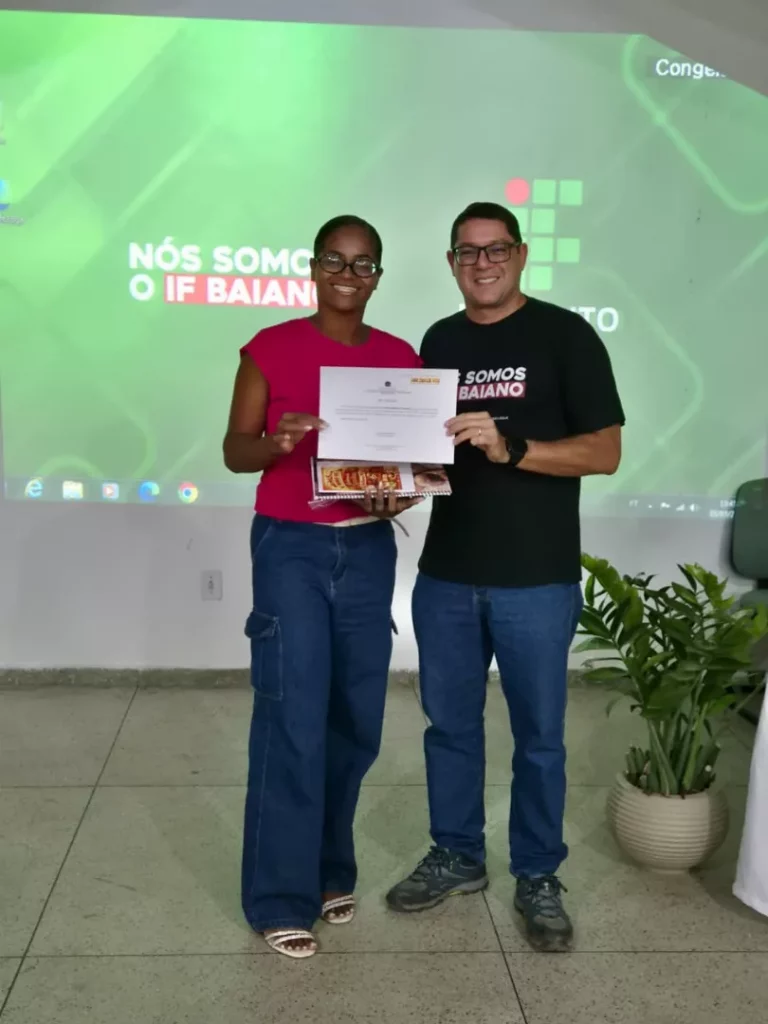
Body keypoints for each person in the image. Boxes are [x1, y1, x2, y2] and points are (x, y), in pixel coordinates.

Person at [386, 202, 625, 952]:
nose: (482, 263)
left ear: (520, 255)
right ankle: (457, 854)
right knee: (449, 728)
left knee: (540, 739)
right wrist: (389, 479)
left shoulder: (566, 335)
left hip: (536, 578)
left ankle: (538, 874)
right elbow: (427, 448)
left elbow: (604, 452)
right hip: (447, 574)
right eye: (467, 251)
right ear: (451, 262)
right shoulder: (440, 340)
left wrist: (511, 448)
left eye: (495, 250)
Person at [224, 215, 420, 959]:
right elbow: (234, 449)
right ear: (312, 268)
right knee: (292, 716)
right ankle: (279, 895)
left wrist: (400, 496)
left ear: (378, 276)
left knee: (354, 719)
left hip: (367, 548)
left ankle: (331, 868)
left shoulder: (401, 358)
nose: (348, 274)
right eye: (335, 260)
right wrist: (274, 443)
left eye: (363, 263)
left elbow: (413, 468)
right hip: (292, 548)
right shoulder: (270, 347)